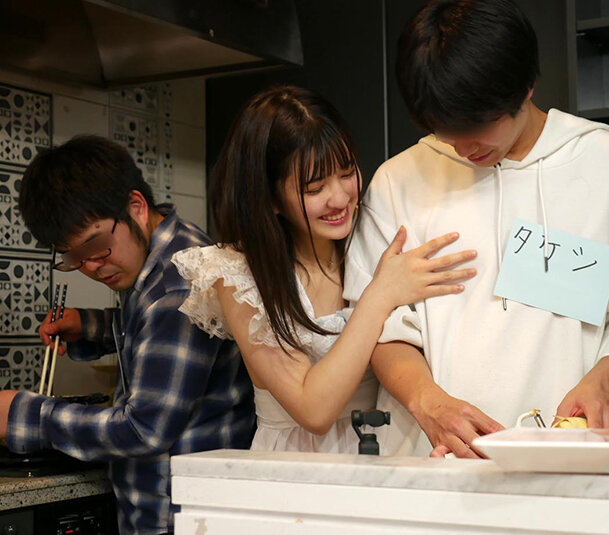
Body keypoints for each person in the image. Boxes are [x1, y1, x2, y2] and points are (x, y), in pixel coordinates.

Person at [343, 0, 609, 458]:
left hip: (573, 451)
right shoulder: (399, 181)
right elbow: (377, 326)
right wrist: (428, 401)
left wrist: (602, 382)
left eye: (479, 125)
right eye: (444, 129)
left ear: (526, 85)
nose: (464, 147)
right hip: (433, 457)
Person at [172, 85, 476, 453]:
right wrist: (379, 296)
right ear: (270, 198)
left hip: (386, 448)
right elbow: (313, 409)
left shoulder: (370, 236)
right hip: (298, 463)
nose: (341, 197)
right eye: (315, 188)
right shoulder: (238, 274)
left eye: (347, 173)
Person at [3, 135, 255, 534]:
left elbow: (144, 429)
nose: (92, 267)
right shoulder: (168, 252)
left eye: (97, 245)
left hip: (181, 519)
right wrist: (90, 326)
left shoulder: (179, 284)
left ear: (136, 206)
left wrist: (25, 414)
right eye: (74, 257)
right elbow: (153, 331)